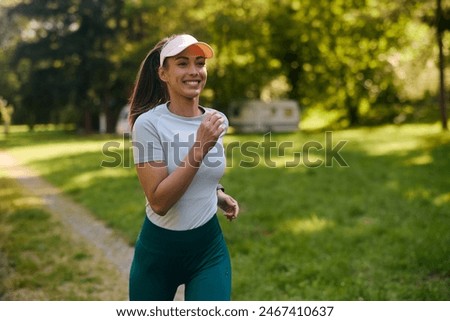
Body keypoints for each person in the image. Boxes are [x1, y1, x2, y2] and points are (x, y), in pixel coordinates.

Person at [127, 34, 239, 301]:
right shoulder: (148, 124)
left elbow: (203, 176)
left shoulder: (216, 120)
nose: (194, 71)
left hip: (208, 250)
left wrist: (218, 195)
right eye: (182, 63)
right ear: (163, 73)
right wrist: (199, 147)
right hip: (159, 253)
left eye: (199, 63)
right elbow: (159, 202)